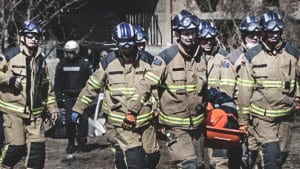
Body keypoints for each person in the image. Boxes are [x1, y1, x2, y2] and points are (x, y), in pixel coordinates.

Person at [72, 22, 160, 169]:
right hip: (121, 122)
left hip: (145, 120)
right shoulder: (108, 63)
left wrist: (157, 108)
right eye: (122, 44)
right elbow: (92, 87)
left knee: (152, 157)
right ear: (116, 43)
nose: (126, 48)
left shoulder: (148, 60)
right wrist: (78, 108)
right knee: (135, 160)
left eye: (129, 43)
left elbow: (157, 88)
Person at [128, 10, 207, 168]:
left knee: (199, 164)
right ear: (178, 34)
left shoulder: (201, 56)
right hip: (175, 125)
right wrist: (132, 112)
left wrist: (208, 103)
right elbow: (146, 85)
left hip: (197, 125)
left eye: (193, 33)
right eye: (186, 33)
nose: (190, 37)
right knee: (188, 164)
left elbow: (204, 87)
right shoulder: (164, 58)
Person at [237, 10, 300, 169]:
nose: (274, 34)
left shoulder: (292, 54)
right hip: (262, 118)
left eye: (278, 31)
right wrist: (243, 122)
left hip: (285, 116)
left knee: (281, 155)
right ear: (263, 31)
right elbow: (244, 91)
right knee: (271, 156)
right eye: (271, 31)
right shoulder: (252, 56)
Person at [0, 21, 58, 169]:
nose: (34, 39)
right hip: (13, 113)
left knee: (37, 152)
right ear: (22, 38)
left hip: (35, 115)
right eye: (30, 36)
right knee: (16, 149)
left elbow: (47, 88)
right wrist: (9, 79)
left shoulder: (41, 60)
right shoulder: (9, 55)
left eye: (36, 36)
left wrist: (52, 108)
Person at [198, 20, 241, 169]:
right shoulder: (191, 58)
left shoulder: (224, 59)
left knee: (218, 158)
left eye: (211, 39)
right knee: (195, 159)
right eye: (204, 40)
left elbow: (227, 91)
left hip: (217, 113)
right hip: (196, 112)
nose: (208, 43)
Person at [227, 15, 262, 169]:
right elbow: (226, 90)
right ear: (243, 35)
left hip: (261, 113)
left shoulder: (267, 55)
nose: (255, 38)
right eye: (250, 34)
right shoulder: (233, 58)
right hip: (238, 113)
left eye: (258, 34)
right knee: (241, 154)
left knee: (260, 153)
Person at [54, 40, 93, 158]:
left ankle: (82, 143)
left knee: (83, 120)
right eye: (67, 52)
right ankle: (71, 142)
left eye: (71, 52)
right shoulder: (61, 64)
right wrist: (59, 99)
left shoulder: (85, 64)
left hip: (81, 96)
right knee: (69, 121)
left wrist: (87, 97)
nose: (68, 55)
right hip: (68, 97)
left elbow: (90, 83)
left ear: (76, 51)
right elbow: (57, 83)